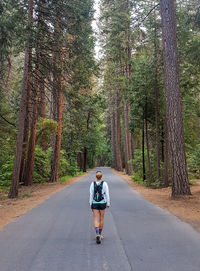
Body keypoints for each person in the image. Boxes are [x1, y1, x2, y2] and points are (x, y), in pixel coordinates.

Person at [89, 170, 110, 244]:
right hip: (102, 202)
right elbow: (107, 194)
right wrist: (108, 203)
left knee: (95, 218)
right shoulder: (105, 183)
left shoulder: (92, 184)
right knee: (102, 218)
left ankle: (97, 233)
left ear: (96, 176)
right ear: (101, 176)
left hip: (95, 203)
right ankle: (100, 234)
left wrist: (90, 203)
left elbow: (91, 194)